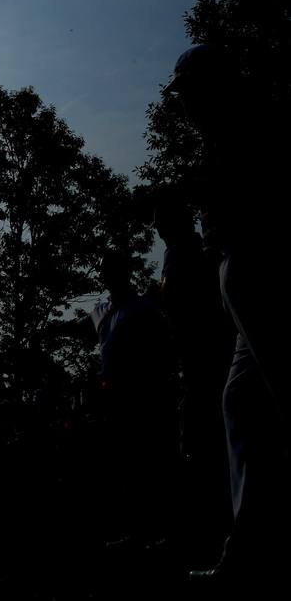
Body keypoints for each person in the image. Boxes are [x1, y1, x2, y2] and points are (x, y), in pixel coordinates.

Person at [163, 44, 290, 584]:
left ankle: (258, 548)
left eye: (188, 93)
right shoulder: (225, 134)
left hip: (261, 264)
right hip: (239, 267)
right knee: (241, 404)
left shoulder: (248, 125)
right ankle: (248, 547)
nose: (184, 105)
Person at [151, 189, 233, 555]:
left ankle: (209, 531)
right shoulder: (187, 255)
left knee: (204, 447)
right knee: (199, 445)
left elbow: (182, 305)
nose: (158, 232)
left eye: (161, 224)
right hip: (196, 365)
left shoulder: (190, 256)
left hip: (206, 365)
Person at [91, 253, 178, 549]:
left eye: (114, 270)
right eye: (106, 270)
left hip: (144, 397)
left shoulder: (144, 310)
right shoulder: (101, 311)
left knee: (150, 463)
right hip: (115, 400)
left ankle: (162, 529)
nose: (109, 276)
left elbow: (164, 352)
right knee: (126, 465)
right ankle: (137, 529)